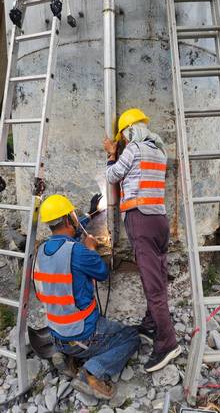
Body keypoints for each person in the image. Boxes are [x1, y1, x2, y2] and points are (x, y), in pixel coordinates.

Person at [34, 194, 139, 400]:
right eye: (73, 216)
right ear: (68, 219)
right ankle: (90, 372)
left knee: (71, 339)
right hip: (83, 334)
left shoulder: (40, 252)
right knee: (131, 337)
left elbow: (66, 237)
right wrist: (90, 248)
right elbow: (102, 273)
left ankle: (66, 356)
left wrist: (91, 214)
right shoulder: (78, 252)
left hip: (55, 333)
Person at [103, 108, 181, 373]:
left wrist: (112, 155)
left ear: (129, 130)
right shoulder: (159, 151)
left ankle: (168, 343)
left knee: (153, 287)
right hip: (159, 220)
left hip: (141, 220)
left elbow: (112, 176)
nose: (123, 139)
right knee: (158, 275)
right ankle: (150, 324)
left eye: (123, 135)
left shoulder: (133, 149)